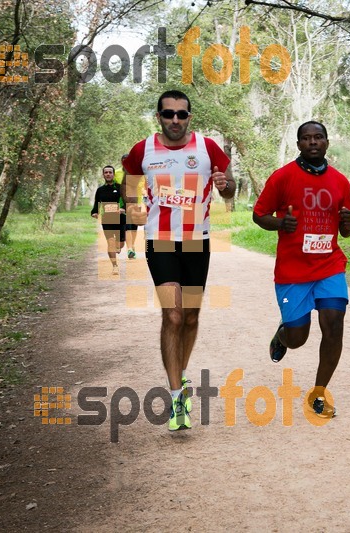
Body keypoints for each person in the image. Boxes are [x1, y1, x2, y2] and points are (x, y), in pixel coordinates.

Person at [122, 90, 235, 431]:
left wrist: (224, 184)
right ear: (158, 116)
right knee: (172, 315)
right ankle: (176, 399)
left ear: (189, 117)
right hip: (161, 243)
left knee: (190, 317)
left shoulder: (207, 148)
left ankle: (181, 375)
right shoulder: (143, 150)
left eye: (181, 114)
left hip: (196, 243)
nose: (175, 120)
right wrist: (133, 211)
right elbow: (129, 189)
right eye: (168, 114)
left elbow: (230, 190)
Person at [252, 121, 350, 419]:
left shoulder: (340, 181)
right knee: (298, 339)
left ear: (326, 142)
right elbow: (259, 215)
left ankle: (318, 394)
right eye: (306, 138)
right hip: (292, 271)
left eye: (318, 137)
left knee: (334, 325)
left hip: (329, 266)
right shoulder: (283, 177)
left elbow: (347, 228)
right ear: (298, 144)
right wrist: (279, 224)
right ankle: (283, 334)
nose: (313, 142)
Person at [90, 165, 125, 275]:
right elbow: (97, 203)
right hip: (107, 219)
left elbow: (127, 201)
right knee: (110, 243)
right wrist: (94, 212)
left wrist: (123, 209)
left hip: (120, 219)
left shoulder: (120, 188)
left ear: (113, 174)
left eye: (110, 172)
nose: (108, 174)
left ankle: (118, 245)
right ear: (103, 175)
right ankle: (115, 266)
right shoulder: (100, 190)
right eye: (106, 172)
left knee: (121, 244)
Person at [115, 154, 140, 259]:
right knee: (128, 225)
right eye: (124, 160)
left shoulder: (138, 173)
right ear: (121, 162)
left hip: (138, 203)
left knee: (134, 226)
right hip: (123, 204)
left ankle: (132, 245)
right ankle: (129, 248)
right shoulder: (117, 173)